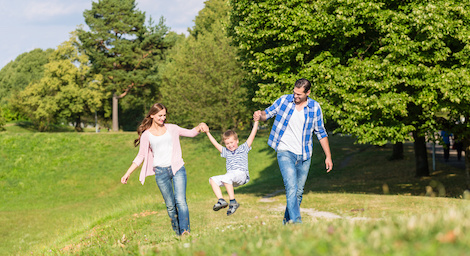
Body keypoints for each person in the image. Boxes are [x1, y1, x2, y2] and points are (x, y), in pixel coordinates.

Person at [253, 78, 333, 224]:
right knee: (291, 188)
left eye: (299, 95)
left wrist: (328, 156)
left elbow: (321, 132)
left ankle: (286, 222)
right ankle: (297, 223)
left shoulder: (315, 108)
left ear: (308, 92)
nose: (295, 97)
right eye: (294, 93)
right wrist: (260, 115)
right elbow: (267, 114)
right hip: (285, 151)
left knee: (298, 193)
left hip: (304, 155)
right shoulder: (284, 101)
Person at [120, 103, 206, 236]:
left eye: (164, 115)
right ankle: (178, 233)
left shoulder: (173, 128)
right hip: (161, 173)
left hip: (177, 168)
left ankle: (185, 232)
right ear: (152, 115)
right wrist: (127, 173)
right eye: (160, 115)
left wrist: (200, 126)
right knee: (171, 206)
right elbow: (141, 156)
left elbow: (191, 133)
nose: (163, 118)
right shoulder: (147, 135)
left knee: (181, 201)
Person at [203, 118, 259, 216]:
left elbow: (252, 135)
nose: (230, 145)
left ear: (237, 141)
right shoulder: (226, 152)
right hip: (230, 177)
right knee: (212, 180)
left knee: (227, 177)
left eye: (232, 142)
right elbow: (215, 144)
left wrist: (257, 121)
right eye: (227, 144)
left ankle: (233, 202)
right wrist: (208, 133)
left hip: (241, 174)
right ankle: (221, 201)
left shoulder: (243, 148)